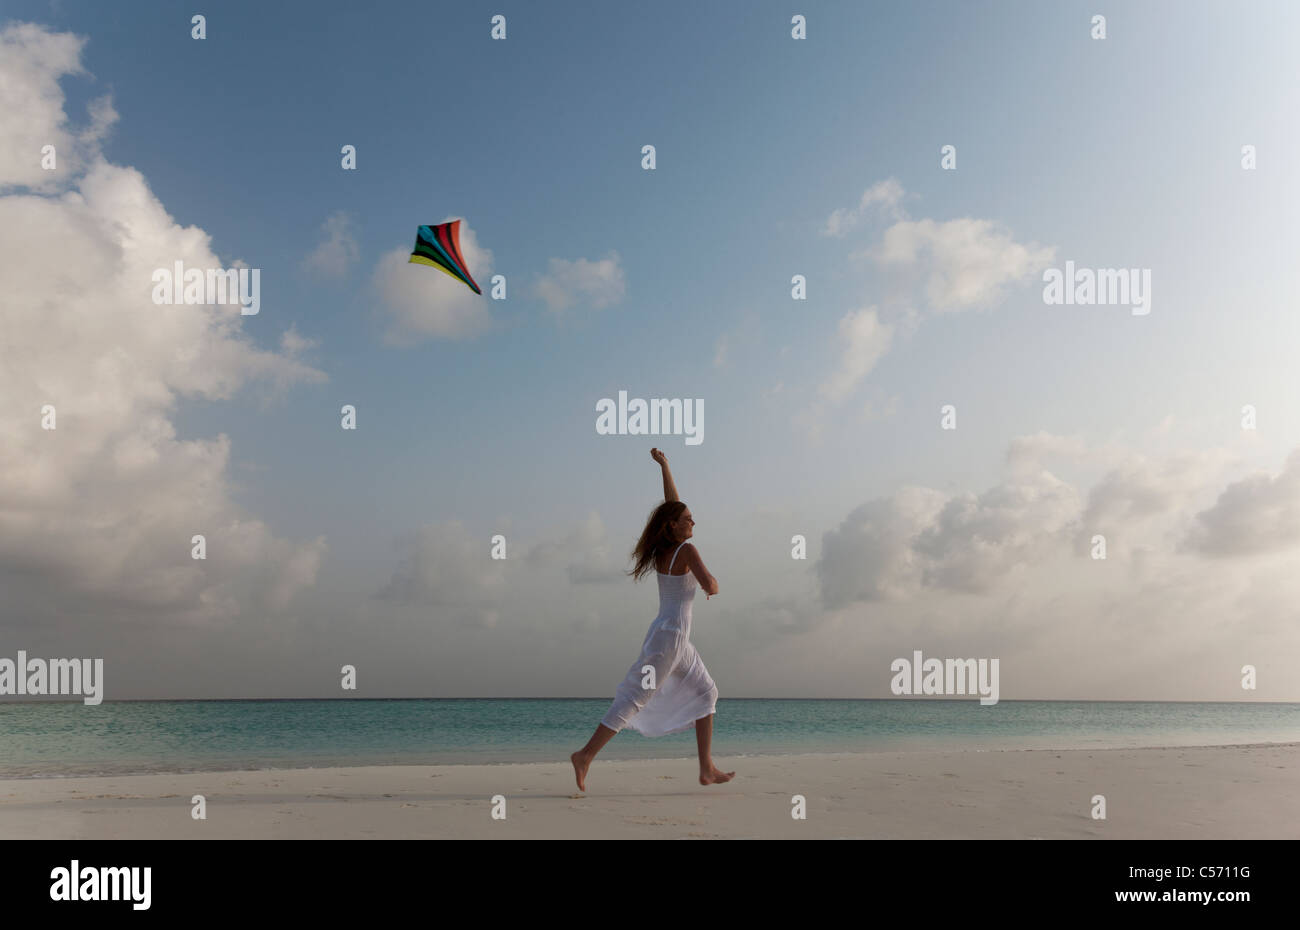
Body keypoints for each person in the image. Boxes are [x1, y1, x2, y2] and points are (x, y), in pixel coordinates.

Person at [570, 448, 735, 791]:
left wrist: (665, 466)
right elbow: (712, 586)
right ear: (674, 526)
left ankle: (706, 768)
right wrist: (714, 584)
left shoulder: (666, 548)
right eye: (689, 519)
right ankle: (585, 755)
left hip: (673, 637)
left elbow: (671, 505)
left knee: (707, 691)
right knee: (635, 697)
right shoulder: (686, 551)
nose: (693, 522)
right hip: (670, 640)